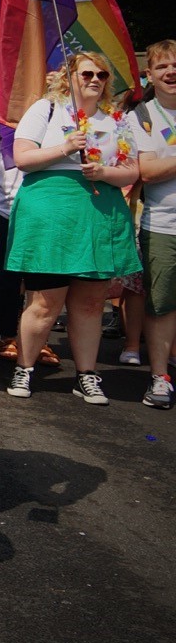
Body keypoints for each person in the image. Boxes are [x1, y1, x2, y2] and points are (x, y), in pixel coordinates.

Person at [5, 53, 140, 403]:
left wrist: (105, 172)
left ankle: (86, 375)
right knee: (45, 302)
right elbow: (22, 157)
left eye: (102, 75)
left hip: (99, 211)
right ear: (69, 77)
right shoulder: (46, 109)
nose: (95, 79)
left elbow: (131, 170)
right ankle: (25, 367)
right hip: (52, 211)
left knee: (92, 303)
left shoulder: (117, 120)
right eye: (87, 73)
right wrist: (64, 147)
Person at [133, 41, 176, 408]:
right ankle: (159, 377)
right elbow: (147, 171)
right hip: (164, 226)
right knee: (161, 304)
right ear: (150, 75)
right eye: (162, 67)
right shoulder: (143, 116)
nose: (171, 72)